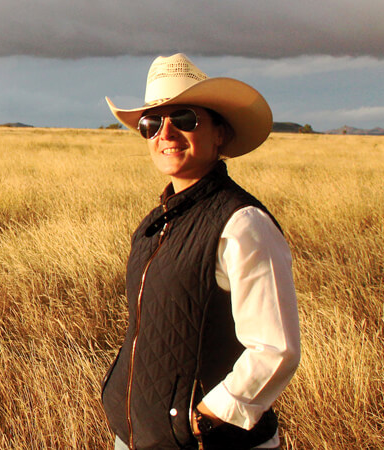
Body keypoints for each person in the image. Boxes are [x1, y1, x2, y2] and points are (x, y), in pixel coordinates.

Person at [99, 53, 301, 449]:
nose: (165, 133)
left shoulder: (243, 223)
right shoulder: (158, 220)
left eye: (185, 119)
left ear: (219, 133)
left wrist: (207, 418)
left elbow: (276, 349)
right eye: (151, 123)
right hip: (142, 437)